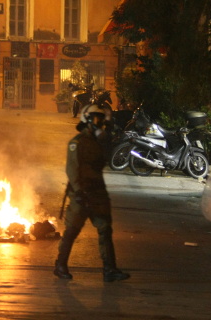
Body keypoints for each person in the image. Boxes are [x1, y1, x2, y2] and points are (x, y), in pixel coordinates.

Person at [54, 104, 130, 282]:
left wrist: (108, 135)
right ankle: (60, 265)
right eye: (96, 118)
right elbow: (72, 170)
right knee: (72, 231)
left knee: (105, 229)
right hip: (82, 193)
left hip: (98, 192)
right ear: (87, 120)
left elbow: (106, 161)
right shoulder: (77, 143)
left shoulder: (99, 142)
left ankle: (109, 269)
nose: (99, 122)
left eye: (101, 119)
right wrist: (79, 192)